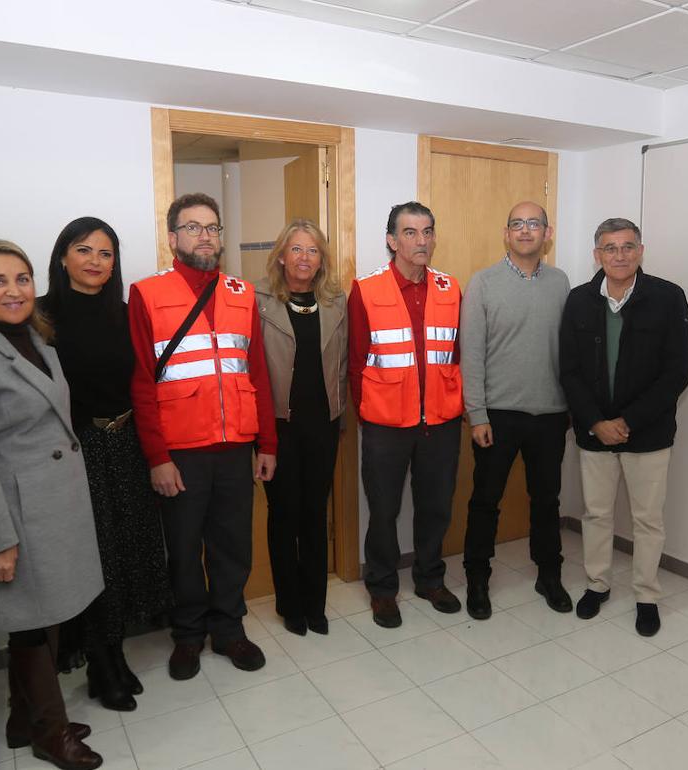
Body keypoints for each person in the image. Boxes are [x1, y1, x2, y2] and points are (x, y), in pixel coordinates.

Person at [0, 239, 104, 769]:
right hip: (18, 513)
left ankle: (19, 717)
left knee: (42, 615)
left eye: (22, 279)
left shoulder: (33, 338)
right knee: (30, 621)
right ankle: (51, 733)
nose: (13, 290)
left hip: (53, 503)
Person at [128, 192, 277, 678]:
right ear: (173, 238)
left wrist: (267, 443)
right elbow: (142, 383)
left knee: (232, 545)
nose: (205, 236)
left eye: (212, 227)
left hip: (235, 447)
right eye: (192, 227)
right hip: (181, 452)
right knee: (185, 548)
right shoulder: (147, 294)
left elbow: (257, 372)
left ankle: (229, 630)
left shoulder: (242, 293)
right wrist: (157, 457)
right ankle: (188, 635)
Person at [39, 217, 172, 711]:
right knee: (94, 559)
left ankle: (113, 654)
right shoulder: (41, 317)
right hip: (78, 452)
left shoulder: (124, 313)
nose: (95, 261)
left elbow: (144, 381)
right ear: (62, 257)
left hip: (127, 444)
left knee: (128, 550)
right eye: (83, 250)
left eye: (106, 253)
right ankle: (100, 658)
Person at [559, 218, 688, 636]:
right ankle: (597, 585)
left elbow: (676, 373)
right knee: (596, 514)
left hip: (647, 434)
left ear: (641, 251)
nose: (619, 255)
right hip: (593, 432)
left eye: (627, 247)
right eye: (610, 248)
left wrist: (627, 421)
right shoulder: (579, 300)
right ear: (596, 254)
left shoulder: (668, 298)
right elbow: (569, 370)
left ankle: (646, 596)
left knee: (647, 520)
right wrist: (597, 422)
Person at [348, 201, 463, 628]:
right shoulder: (366, 288)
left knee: (436, 506)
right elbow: (356, 362)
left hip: (441, 420)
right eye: (411, 233)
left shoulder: (451, 288)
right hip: (385, 424)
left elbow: (457, 352)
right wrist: (369, 413)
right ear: (392, 241)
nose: (422, 240)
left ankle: (431, 579)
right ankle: (382, 588)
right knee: (383, 509)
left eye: (428, 231)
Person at [460, 201, 572, 620]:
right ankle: (477, 578)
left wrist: (572, 409)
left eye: (534, 224)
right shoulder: (484, 283)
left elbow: (570, 354)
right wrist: (478, 415)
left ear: (548, 232)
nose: (526, 231)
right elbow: (470, 354)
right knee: (485, 501)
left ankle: (549, 574)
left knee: (546, 500)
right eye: (517, 224)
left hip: (551, 413)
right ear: (506, 234)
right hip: (498, 416)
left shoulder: (561, 283)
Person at [254, 219, 347, 636]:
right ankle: (289, 604)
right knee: (283, 515)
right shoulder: (258, 303)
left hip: (323, 426)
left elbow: (344, 364)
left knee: (314, 514)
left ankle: (315, 604)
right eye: (296, 249)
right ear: (281, 256)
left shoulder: (336, 302)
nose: (304, 258)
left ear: (321, 259)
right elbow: (251, 371)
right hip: (278, 430)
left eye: (312, 250)